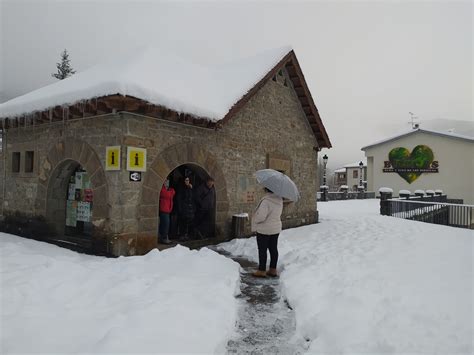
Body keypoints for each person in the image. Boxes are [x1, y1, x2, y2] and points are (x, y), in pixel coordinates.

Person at [251, 187, 283, 277]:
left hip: (264, 229)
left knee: (262, 250)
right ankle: (273, 269)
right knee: (273, 249)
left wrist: (255, 218)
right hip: (275, 228)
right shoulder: (279, 200)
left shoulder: (266, 201)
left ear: (266, 190)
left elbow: (261, 217)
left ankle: (261, 270)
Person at [177, 176, 195, 240]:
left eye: (188, 180)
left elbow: (192, 197)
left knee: (188, 222)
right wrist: (180, 208)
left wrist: (191, 189)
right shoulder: (181, 188)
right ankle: (182, 235)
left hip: (189, 208)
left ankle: (186, 235)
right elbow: (179, 199)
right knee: (182, 222)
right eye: (186, 180)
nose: (187, 182)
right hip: (183, 207)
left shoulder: (190, 188)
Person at [158, 177, 175, 245]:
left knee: (165, 224)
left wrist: (170, 191)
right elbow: (167, 195)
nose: (166, 183)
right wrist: (170, 191)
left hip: (167, 209)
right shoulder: (162, 189)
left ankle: (164, 237)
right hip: (164, 209)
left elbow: (173, 192)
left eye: (167, 181)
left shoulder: (168, 189)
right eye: (165, 181)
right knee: (165, 224)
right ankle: (164, 238)